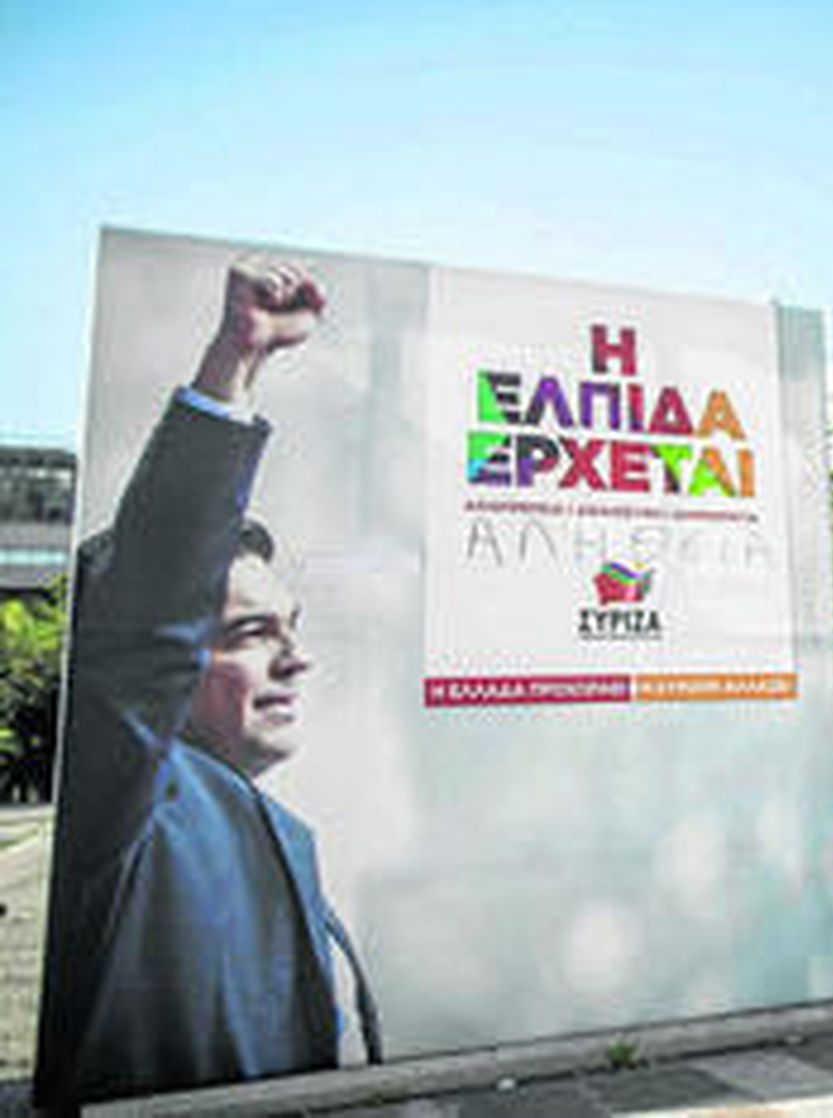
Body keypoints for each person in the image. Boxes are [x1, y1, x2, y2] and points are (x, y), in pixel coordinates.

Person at [35, 261, 382, 1110]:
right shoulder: (124, 808)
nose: (297, 660)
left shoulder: (279, 830)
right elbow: (149, 611)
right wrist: (235, 363)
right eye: (252, 634)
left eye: (292, 627)